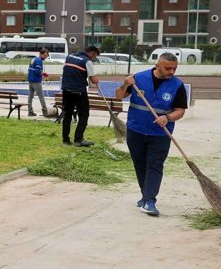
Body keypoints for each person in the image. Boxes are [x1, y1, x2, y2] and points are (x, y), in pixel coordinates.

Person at [114, 53, 187, 216]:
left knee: (155, 165)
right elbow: (118, 96)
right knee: (140, 165)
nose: (172, 72)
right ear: (157, 65)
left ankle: (150, 201)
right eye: (168, 68)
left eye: (175, 68)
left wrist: (167, 117)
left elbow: (180, 111)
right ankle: (145, 196)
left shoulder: (177, 85)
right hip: (135, 130)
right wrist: (125, 83)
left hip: (160, 134)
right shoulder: (138, 79)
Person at [61, 45, 100, 147]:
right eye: (94, 56)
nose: (94, 58)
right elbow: (92, 80)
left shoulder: (69, 57)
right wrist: (96, 80)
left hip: (66, 90)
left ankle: (65, 139)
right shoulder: (87, 61)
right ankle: (78, 140)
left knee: (67, 115)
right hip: (79, 92)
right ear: (91, 53)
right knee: (84, 115)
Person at [27, 48, 49, 117]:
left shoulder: (33, 59)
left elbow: (32, 69)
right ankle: (45, 111)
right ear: (40, 54)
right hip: (36, 81)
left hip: (30, 80)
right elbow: (37, 71)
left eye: (46, 56)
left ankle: (30, 111)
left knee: (30, 96)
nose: (45, 57)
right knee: (41, 96)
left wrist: (42, 73)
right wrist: (42, 74)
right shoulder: (39, 61)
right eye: (45, 55)